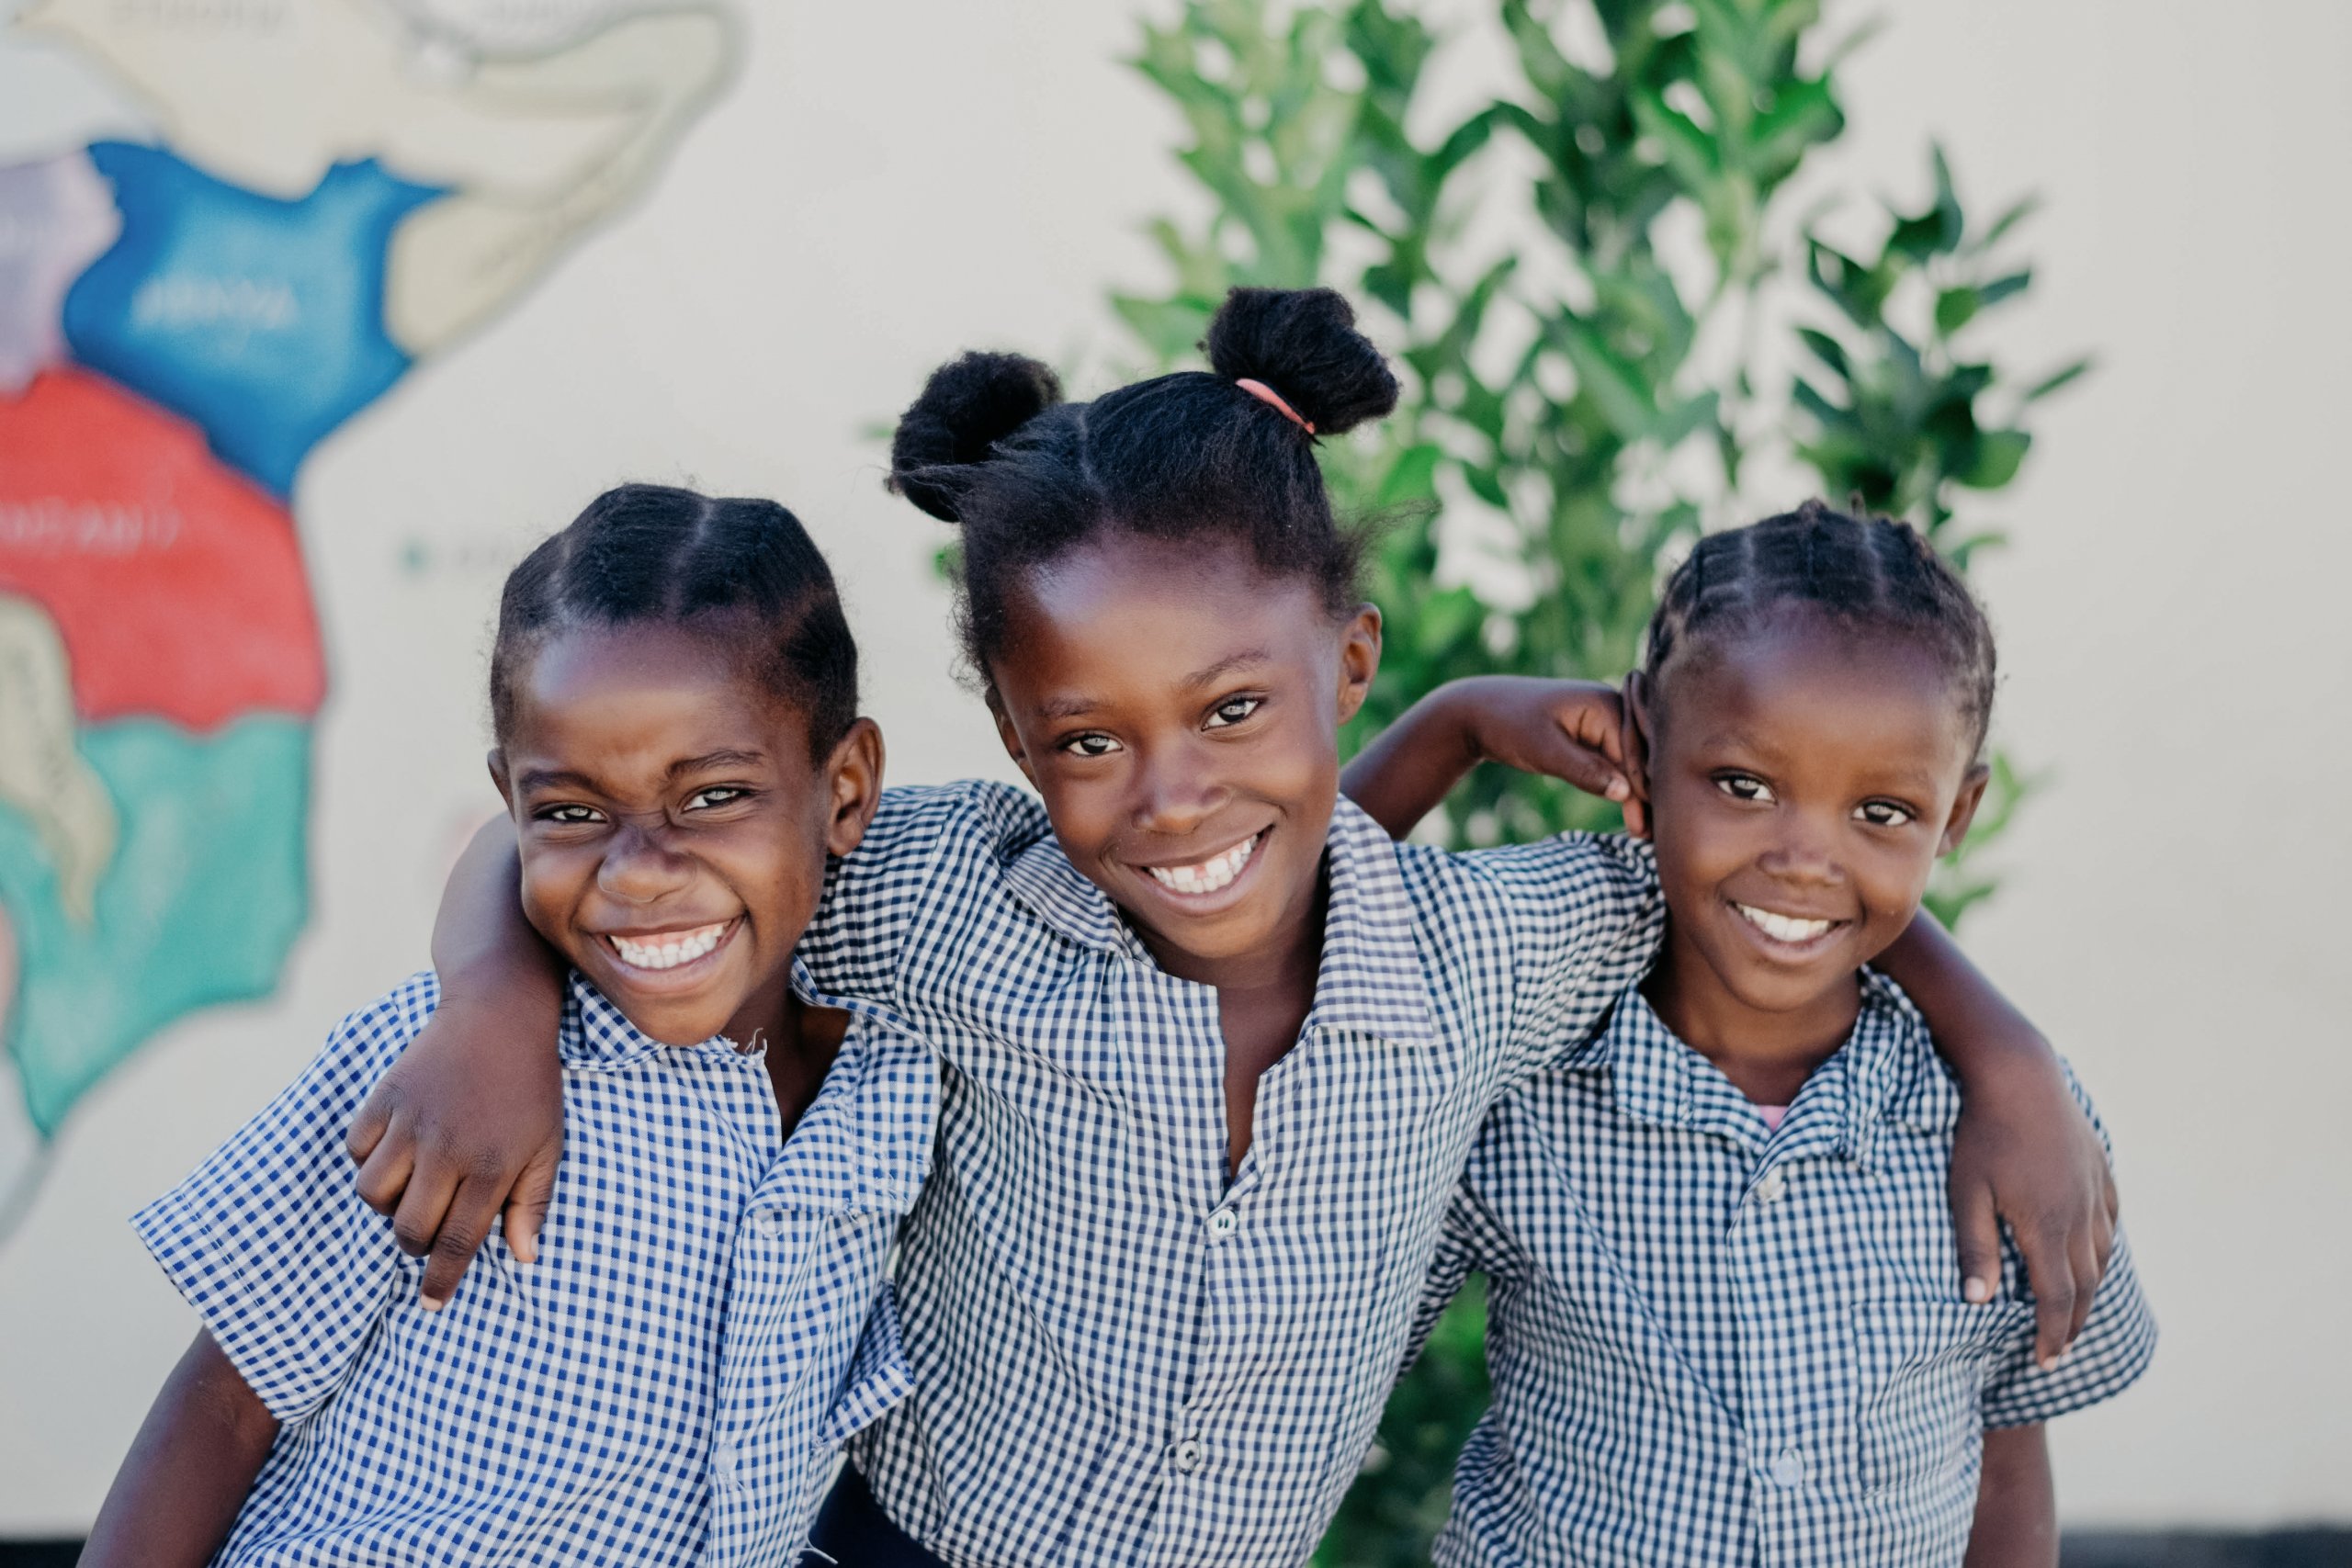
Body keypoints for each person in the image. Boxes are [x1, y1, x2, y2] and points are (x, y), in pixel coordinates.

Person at [353, 291, 2119, 1568]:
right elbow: (601, 844)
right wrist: (491, 1009)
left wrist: (2007, 1055)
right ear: (1013, 737)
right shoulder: (952, 903)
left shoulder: (1488, 959)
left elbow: (1778, 884)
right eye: (1088, 744)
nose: (1173, 800)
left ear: (1345, 663)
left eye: (1233, 712)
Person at [80, 485, 922, 1568]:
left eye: (712, 797)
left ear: (845, 789)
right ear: (514, 804)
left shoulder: (906, 1078)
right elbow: (223, 1408)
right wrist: (488, 1004)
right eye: (571, 812)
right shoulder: (443, 1068)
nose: (639, 872)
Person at [1387, 502, 2156, 1566]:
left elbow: (2005, 1444)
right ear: (1644, 743)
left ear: (1955, 817)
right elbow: (1296, 952)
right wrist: (1455, 725)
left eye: (1880, 812)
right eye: (1744, 786)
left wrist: (2009, 1054)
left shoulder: (2004, 1131)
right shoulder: (1519, 1082)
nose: (1802, 861)